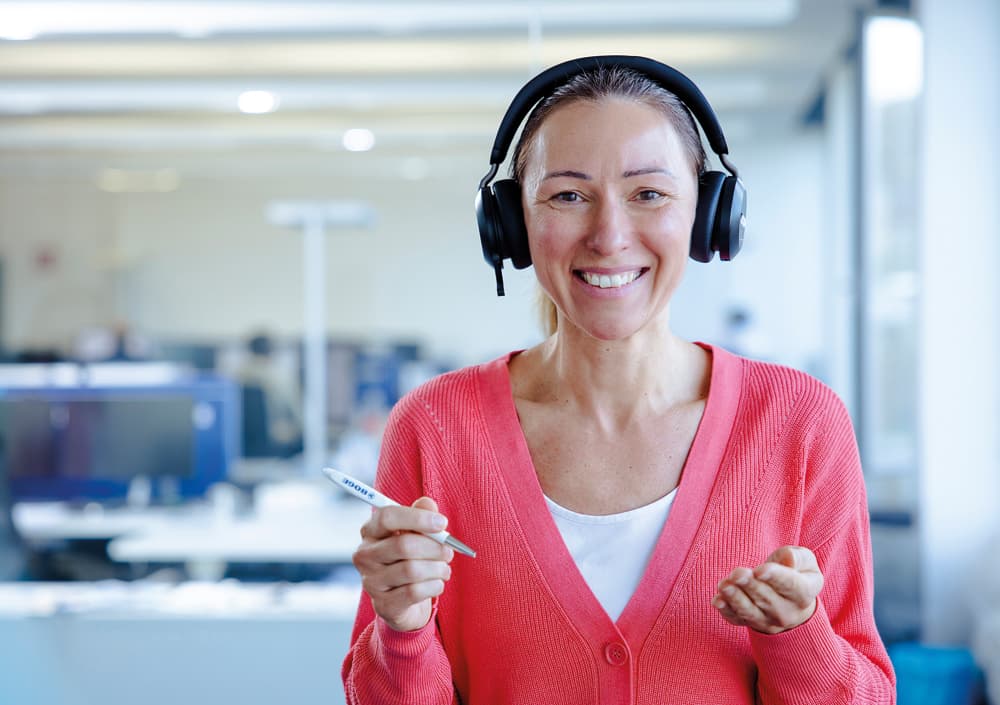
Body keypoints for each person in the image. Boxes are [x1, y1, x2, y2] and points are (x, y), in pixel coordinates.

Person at [341, 56, 895, 704]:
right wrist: (403, 630)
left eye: (648, 194)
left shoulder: (799, 422)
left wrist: (799, 637)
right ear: (511, 224)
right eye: (568, 196)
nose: (608, 236)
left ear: (709, 215)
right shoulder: (436, 427)